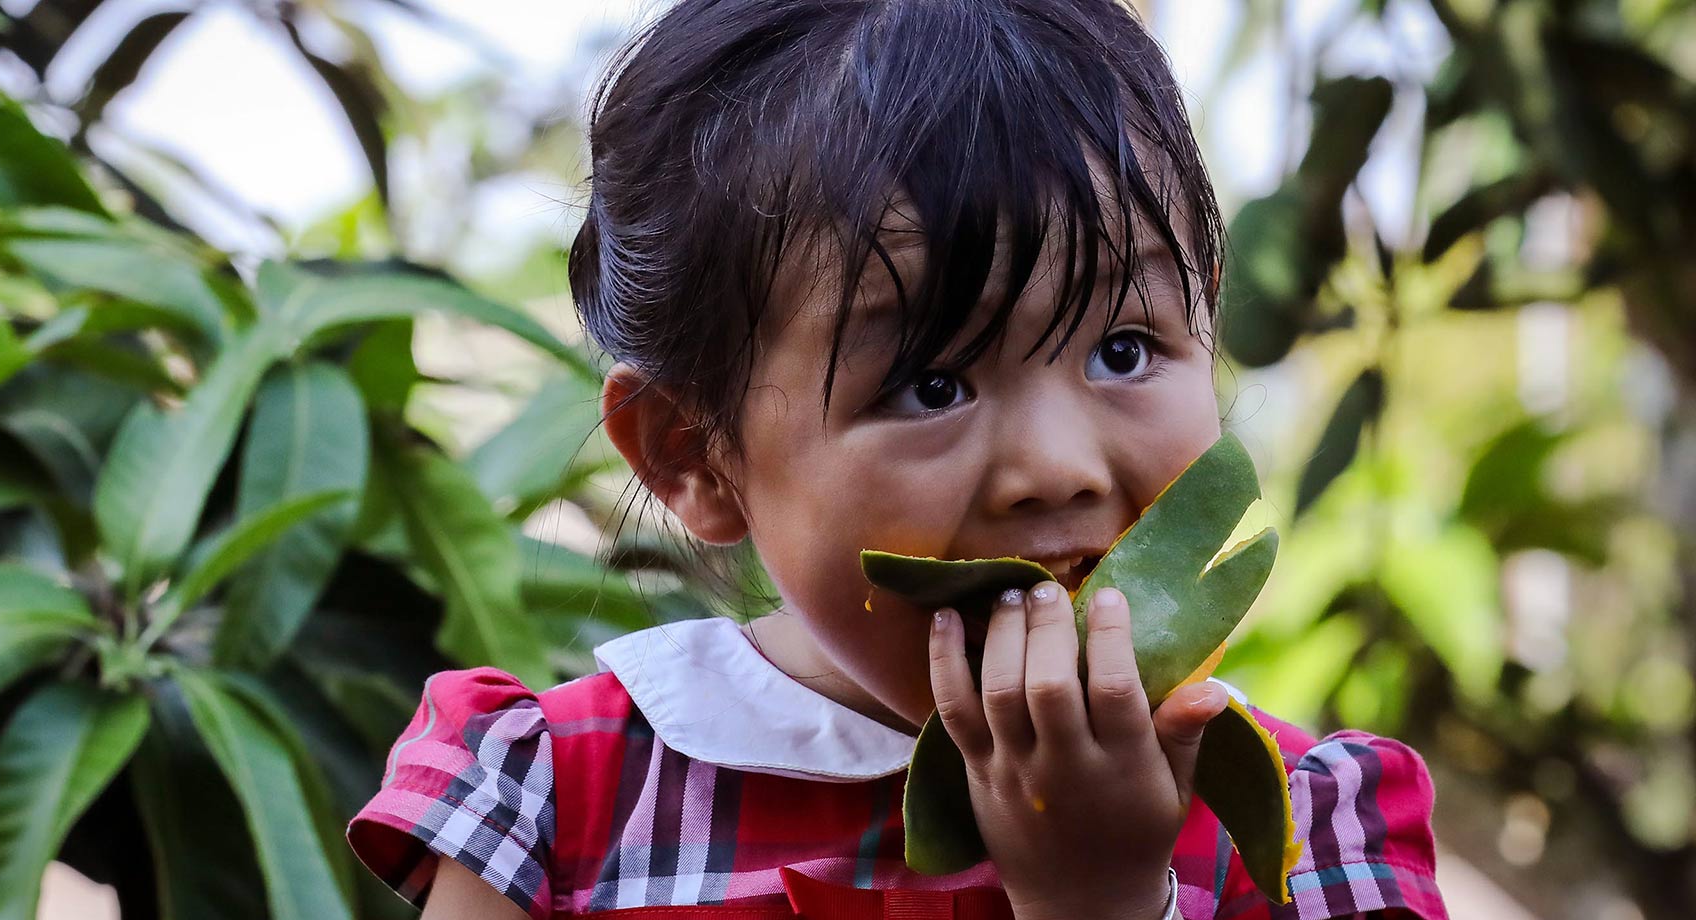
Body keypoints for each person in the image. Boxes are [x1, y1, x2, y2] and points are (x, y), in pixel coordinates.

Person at [347, 1, 1447, 918]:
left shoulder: (1314, 827)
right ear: (696, 457)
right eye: (933, 382)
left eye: (1124, 347)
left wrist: (1102, 900)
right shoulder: (559, 802)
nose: (1056, 467)